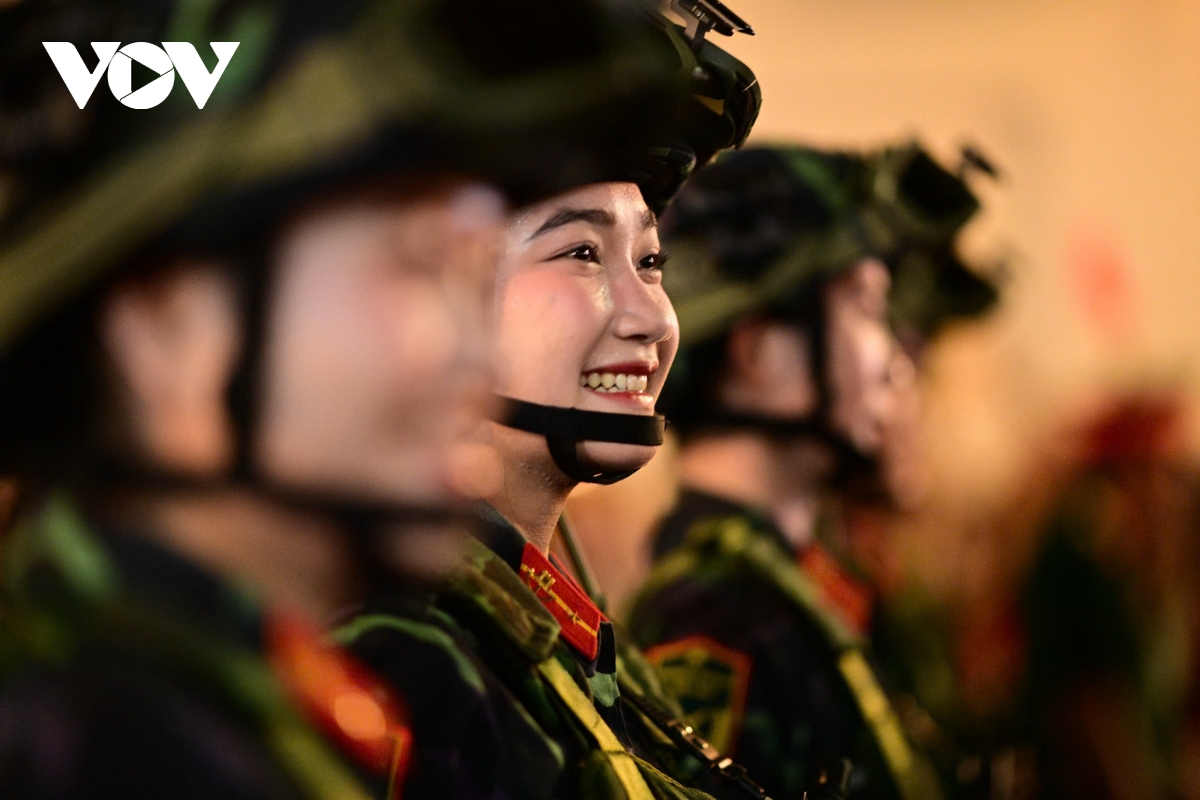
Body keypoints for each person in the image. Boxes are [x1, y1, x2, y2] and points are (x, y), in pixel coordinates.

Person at [0, 0, 685, 796]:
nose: (475, 355)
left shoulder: (209, 703)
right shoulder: (100, 748)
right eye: (419, 267)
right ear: (168, 334)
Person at [337, 7, 768, 799]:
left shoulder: (552, 641)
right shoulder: (408, 662)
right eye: (582, 253)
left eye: (651, 261)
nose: (651, 318)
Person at [627, 143, 992, 800]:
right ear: (757, 352)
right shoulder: (714, 620)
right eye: (864, 307)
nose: (892, 364)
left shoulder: (777, 590)